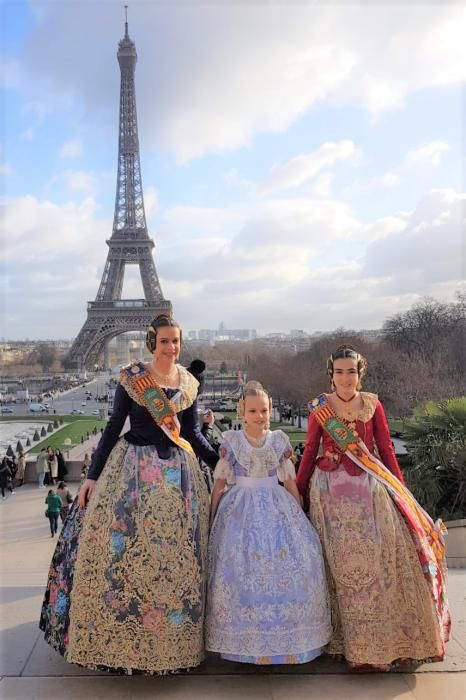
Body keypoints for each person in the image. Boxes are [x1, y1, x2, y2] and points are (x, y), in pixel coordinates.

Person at [40, 314, 218, 674]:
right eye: (165, 341)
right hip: (133, 472)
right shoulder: (133, 378)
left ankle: (171, 637)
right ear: (153, 342)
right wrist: (91, 477)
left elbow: (194, 435)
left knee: (174, 556)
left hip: (178, 478)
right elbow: (111, 428)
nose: (171, 347)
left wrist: (225, 460)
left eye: (176, 341)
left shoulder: (188, 382)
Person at [296, 345, 450, 670]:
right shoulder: (319, 409)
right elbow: (310, 450)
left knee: (376, 565)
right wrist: (297, 493)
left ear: (359, 373)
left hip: (368, 491)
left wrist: (400, 488)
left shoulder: (373, 405)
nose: (345, 377)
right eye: (339, 371)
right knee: (339, 569)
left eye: (351, 371)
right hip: (329, 496)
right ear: (331, 374)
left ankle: (379, 642)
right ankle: (344, 641)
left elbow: (385, 447)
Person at [206, 381, 331, 665]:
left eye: (263, 410)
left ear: (270, 410)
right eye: (253, 411)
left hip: (277, 506)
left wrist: (299, 515)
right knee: (242, 567)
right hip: (240, 508)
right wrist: (213, 517)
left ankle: (288, 641)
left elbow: (288, 481)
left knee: (293, 562)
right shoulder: (232, 441)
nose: (259, 416)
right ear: (242, 412)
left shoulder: (279, 441)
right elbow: (220, 483)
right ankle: (246, 642)